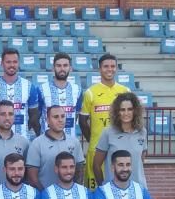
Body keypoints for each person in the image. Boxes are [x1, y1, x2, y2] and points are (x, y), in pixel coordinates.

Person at [79, 53, 130, 190]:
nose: (110, 69)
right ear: (100, 69)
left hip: (119, 147)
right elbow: (83, 121)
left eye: (113, 66)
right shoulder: (90, 92)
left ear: (116, 68)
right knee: (94, 190)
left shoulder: (125, 91)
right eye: (106, 66)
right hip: (96, 150)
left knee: (119, 187)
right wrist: (93, 140)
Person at [0, 48, 40, 140]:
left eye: (15, 62)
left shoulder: (29, 86)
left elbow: (34, 116)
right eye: (8, 62)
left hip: (22, 140)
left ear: (19, 63)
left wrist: (25, 130)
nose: (12, 65)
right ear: (2, 64)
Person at [93, 92, 147, 189]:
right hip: (113, 191)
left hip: (138, 190)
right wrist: (103, 188)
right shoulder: (107, 133)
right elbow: (96, 165)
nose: (126, 113)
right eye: (122, 110)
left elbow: (140, 162)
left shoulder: (142, 132)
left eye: (130, 109)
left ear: (135, 111)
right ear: (117, 112)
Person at [26, 105, 85, 190]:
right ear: (48, 120)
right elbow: (32, 178)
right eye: (56, 117)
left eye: (63, 116)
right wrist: (46, 195)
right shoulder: (37, 144)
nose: (60, 120)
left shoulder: (75, 142)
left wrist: (74, 192)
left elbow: (79, 172)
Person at [37, 52, 82, 137]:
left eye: (65, 65)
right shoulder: (42, 89)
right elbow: (36, 117)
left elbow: (76, 115)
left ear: (70, 68)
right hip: (47, 140)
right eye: (58, 66)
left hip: (70, 141)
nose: (62, 68)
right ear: (53, 68)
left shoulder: (77, 90)